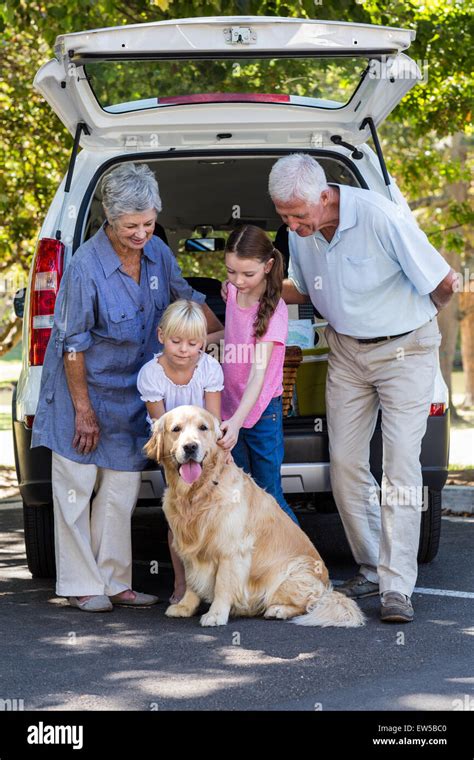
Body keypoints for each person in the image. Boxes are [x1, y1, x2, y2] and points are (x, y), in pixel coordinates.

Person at [263, 153, 455, 623]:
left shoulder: (380, 216)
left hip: (405, 349)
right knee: (346, 464)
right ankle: (372, 566)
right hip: (346, 352)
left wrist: (413, 323)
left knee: (401, 468)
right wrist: (250, 288)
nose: (290, 224)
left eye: (297, 215)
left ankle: (397, 586)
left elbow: (443, 281)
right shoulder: (300, 233)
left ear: (325, 197)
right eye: (284, 215)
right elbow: (304, 289)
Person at [31, 162, 223, 612]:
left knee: (120, 490)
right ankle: (81, 584)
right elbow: (72, 345)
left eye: (148, 223)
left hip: (133, 393)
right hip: (84, 387)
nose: (141, 233)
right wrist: (83, 409)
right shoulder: (84, 268)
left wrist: (231, 336)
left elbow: (187, 302)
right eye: (130, 225)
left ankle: (115, 581)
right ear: (109, 218)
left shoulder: (158, 253)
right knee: (77, 487)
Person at [209, 224, 299, 525]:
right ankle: (254, 566)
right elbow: (232, 337)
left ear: (268, 265)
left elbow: (258, 376)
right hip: (231, 407)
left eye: (247, 274)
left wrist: (236, 423)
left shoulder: (275, 312)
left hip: (260, 414)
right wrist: (196, 343)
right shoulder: (233, 291)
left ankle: (303, 563)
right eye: (231, 272)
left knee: (268, 494)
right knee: (240, 492)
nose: (237, 280)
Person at [137, 299, 224, 604]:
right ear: (161, 336)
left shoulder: (209, 369)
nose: (184, 350)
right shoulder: (151, 374)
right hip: (172, 451)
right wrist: (180, 460)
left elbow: (213, 423)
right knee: (178, 519)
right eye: (176, 341)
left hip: (205, 449)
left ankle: (216, 588)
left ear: (203, 342)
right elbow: (160, 428)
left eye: (193, 343)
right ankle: (182, 585)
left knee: (213, 517)